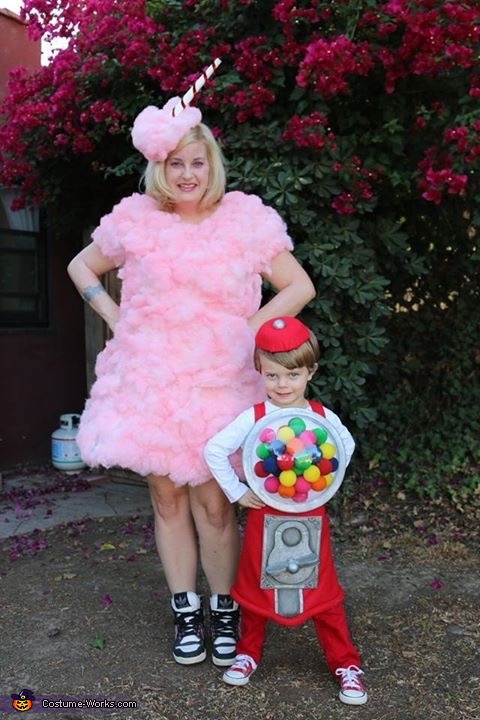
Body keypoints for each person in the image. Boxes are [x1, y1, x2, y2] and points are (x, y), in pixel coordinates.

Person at [67, 95, 316, 668]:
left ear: (212, 165)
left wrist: (243, 329)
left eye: (196, 162)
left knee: (214, 502)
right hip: (150, 379)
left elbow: (298, 286)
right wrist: (115, 315)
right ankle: (186, 608)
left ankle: (224, 607)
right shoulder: (135, 220)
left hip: (219, 381)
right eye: (175, 163)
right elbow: (82, 266)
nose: (186, 174)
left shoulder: (244, 221)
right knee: (165, 495)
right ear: (160, 167)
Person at [204, 316, 368, 705]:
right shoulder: (256, 418)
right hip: (265, 515)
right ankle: (247, 653)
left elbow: (345, 449)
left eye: (292, 375)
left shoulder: (322, 418)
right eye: (273, 375)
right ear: (260, 370)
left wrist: (323, 486)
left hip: (311, 517)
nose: (282, 385)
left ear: (311, 371)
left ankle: (346, 664)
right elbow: (214, 449)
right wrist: (238, 490)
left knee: (322, 592)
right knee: (259, 587)